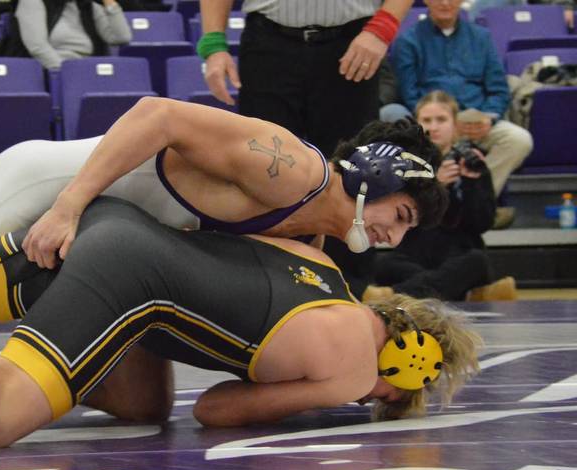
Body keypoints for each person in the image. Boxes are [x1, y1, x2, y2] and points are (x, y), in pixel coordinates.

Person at [0, 154, 481, 448]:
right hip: (126, 280)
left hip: (109, 222)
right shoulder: (356, 371)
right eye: (398, 394)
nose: (379, 398)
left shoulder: (321, 260)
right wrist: (327, 395)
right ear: (404, 368)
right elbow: (219, 410)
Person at [0, 78, 448, 353]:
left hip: (87, 206)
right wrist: (69, 206)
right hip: (47, 186)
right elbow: (157, 114)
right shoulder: (291, 168)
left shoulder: (312, 234)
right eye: (405, 211)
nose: (399, 231)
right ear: (381, 176)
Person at [197, 0, 416, 297]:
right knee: (256, 170)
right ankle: (254, 293)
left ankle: (347, 295)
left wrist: (383, 28)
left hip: (354, 41)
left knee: (355, 175)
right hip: (269, 42)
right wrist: (213, 42)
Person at [389, 0, 534, 229]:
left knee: (518, 139)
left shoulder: (482, 38)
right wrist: (440, 119)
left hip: (476, 121)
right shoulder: (408, 40)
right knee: (393, 115)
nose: (445, 3)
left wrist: (489, 118)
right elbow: (409, 92)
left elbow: (498, 89)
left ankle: (481, 203)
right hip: (433, 121)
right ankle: (429, 203)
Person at [365, 90, 517, 302]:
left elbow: (481, 223)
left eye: (441, 120)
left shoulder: (472, 161)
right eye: (426, 120)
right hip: (414, 253)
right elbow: (397, 218)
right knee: (384, 264)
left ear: (455, 125)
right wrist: (435, 185)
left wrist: (473, 183)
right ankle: (469, 293)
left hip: (458, 253)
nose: (433, 127)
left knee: (477, 261)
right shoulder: (403, 163)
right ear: (416, 124)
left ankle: (396, 295)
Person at [0, 0, 132, 70]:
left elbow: (121, 37)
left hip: (88, 69)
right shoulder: (33, 2)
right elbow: (37, 47)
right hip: (52, 71)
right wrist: (67, 73)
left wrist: (110, 3)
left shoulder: (86, 6)